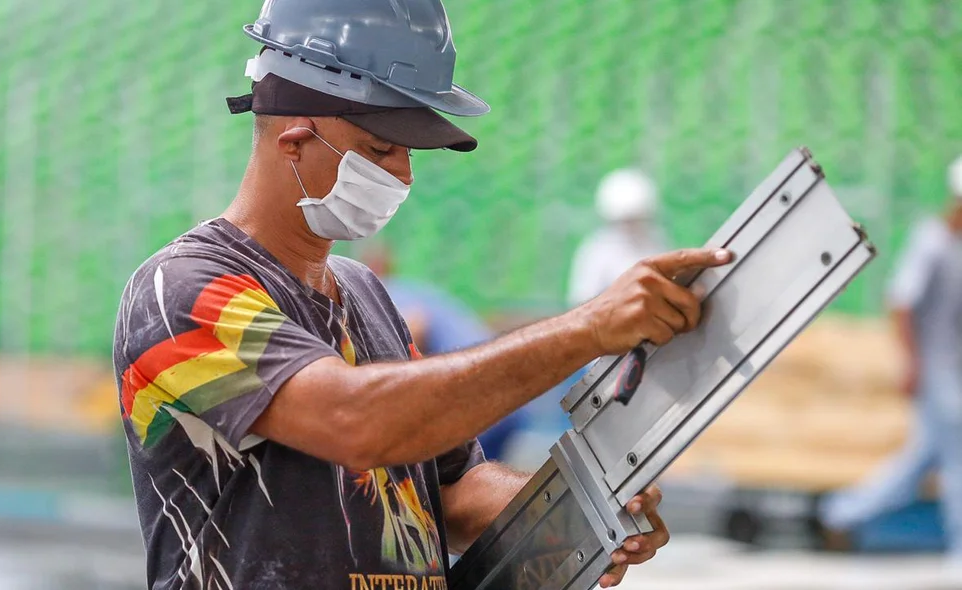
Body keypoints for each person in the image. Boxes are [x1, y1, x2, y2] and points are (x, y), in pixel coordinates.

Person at [112, 2, 731, 588]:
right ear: (294, 133)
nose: (402, 172)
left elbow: (448, 491)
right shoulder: (181, 291)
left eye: (407, 150)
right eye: (380, 148)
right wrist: (588, 329)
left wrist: (588, 509)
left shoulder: (364, 294)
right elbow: (354, 421)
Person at [820, 156, 962, 565]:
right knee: (954, 460)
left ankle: (842, 512)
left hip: (950, 372)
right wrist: (912, 364)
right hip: (936, 373)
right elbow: (901, 303)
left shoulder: (955, 247)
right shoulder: (932, 242)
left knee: (926, 457)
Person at [363, 245, 524, 461]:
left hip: (475, 393)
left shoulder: (384, 292)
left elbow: (416, 325)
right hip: (507, 394)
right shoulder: (420, 290)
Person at [568, 168, 668, 307]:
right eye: (624, 221)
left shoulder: (656, 242)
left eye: (635, 220)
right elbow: (582, 303)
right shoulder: (597, 250)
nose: (629, 227)